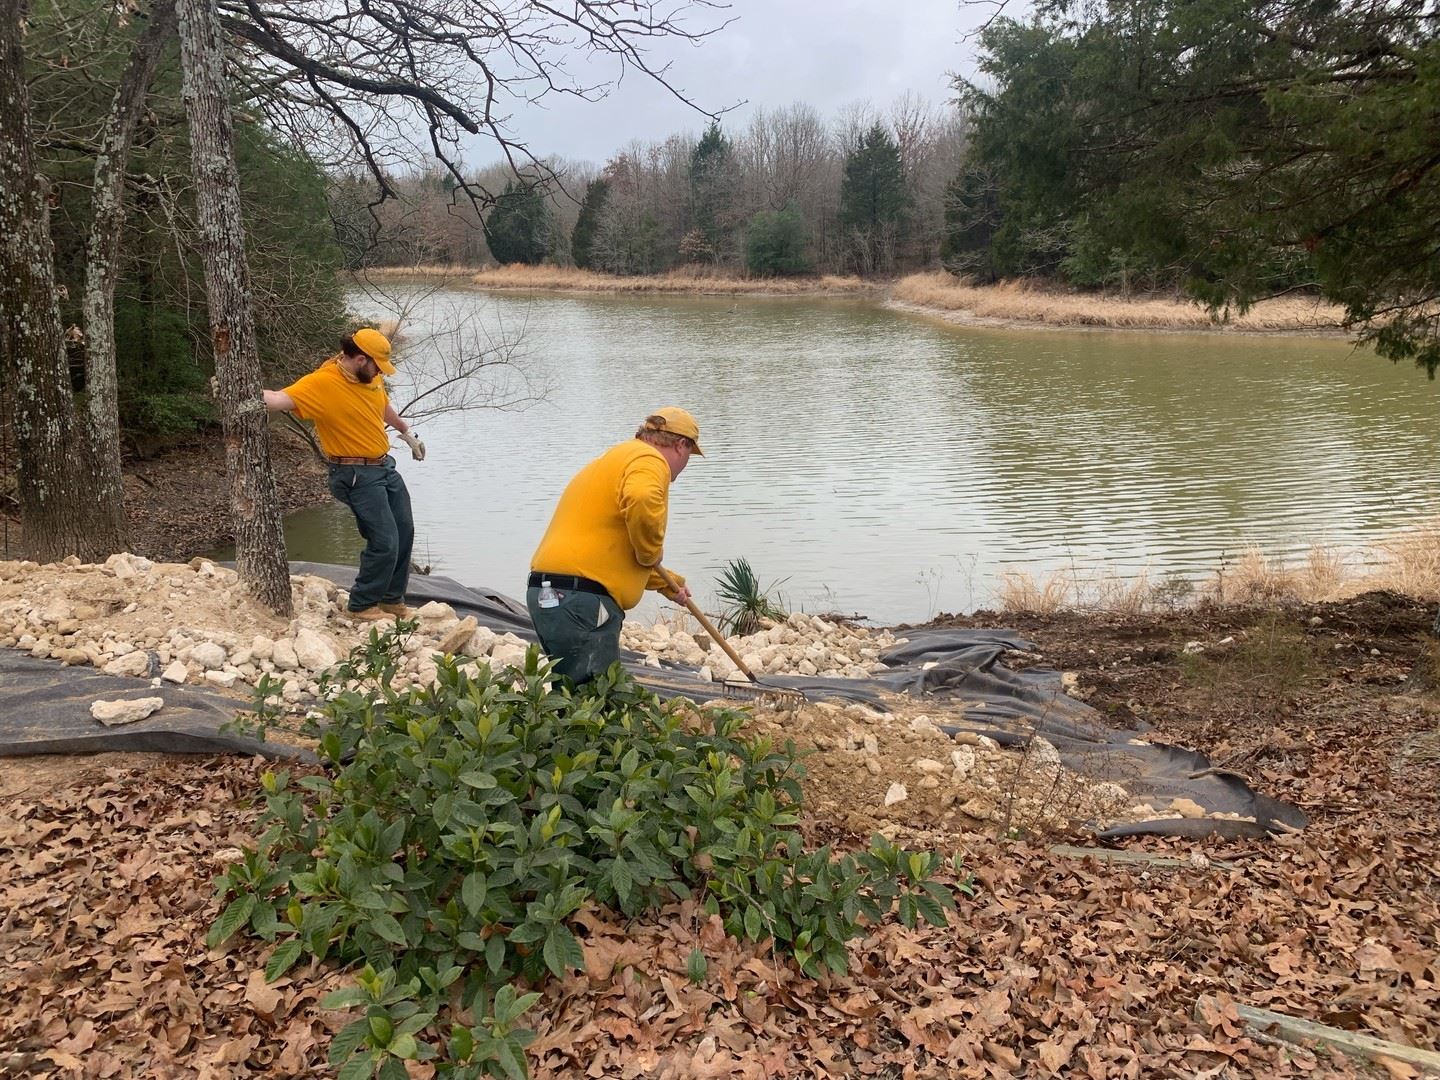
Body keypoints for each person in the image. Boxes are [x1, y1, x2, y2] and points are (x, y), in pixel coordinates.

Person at [527, 407, 702, 684]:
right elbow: (642, 498)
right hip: (582, 599)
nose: (685, 466)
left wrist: (669, 584)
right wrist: (651, 551)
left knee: (571, 691)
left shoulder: (613, 459)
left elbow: (609, 550)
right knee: (596, 701)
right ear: (681, 445)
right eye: (690, 455)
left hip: (548, 593)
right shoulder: (649, 460)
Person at [262, 328, 426, 621]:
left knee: (404, 530)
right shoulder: (322, 383)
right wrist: (237, 388)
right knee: (384, 539)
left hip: (383, 466)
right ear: (361, 359)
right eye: (378, 366)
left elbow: (382, 404)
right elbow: (276, 399)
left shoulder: (370, 378)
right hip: (354, 473)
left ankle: (391, 600)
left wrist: (405, 431)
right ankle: (362, 605)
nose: (381, 374)